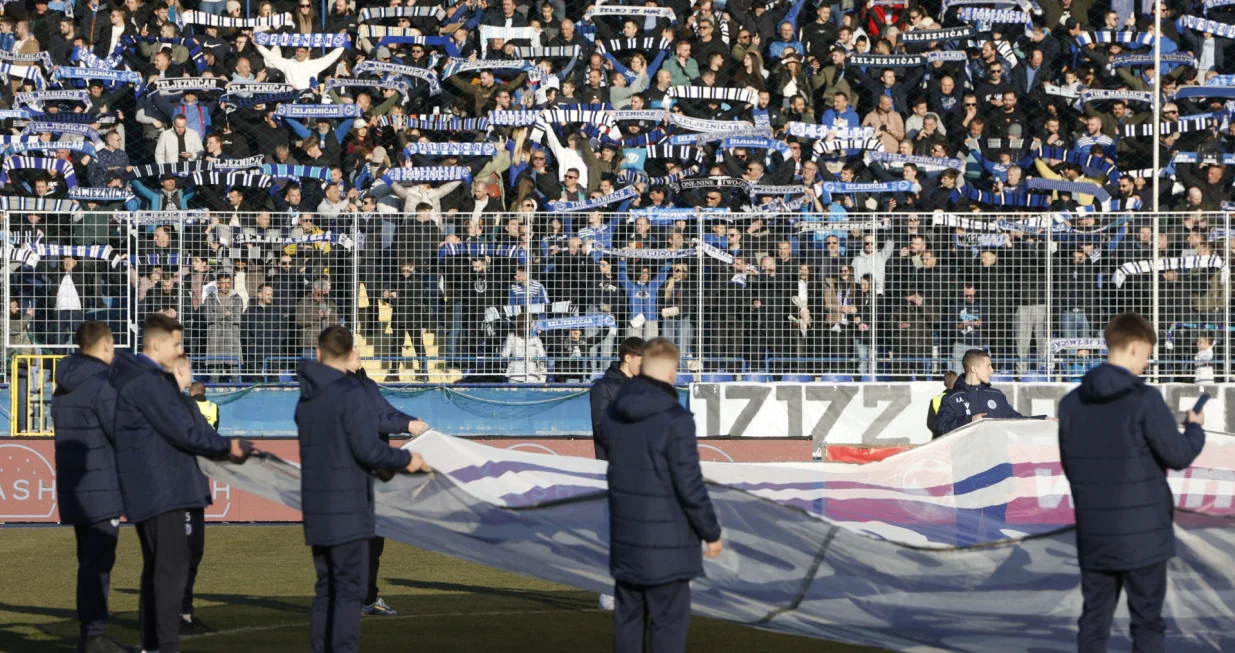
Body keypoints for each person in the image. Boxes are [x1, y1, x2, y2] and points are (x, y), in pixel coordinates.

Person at [1059, 312, 1206, 653]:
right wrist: (1195, 427)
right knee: (1147, 621)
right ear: (1137, 347)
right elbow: (1177, 455)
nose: (1147, 362)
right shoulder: (1144, 398)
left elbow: (1070, 467)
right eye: (1148, 354)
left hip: (1094, 533)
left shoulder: (1070, 405)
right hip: (1145, 536)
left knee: (1094, 621)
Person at [109, 313, 251, 653]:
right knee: (170, 572)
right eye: (176, 345)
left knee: (160, 571)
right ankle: (163, 644)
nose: (180, 351)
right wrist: (228, 447)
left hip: (158, 486)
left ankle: (153, 646)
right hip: (164, 490)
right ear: (156, 344)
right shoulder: (149, 382)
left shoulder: (140, 379)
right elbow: (184, 432)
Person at [296, 325, 429, 653]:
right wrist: (405, 459)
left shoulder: (310, 397)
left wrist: (407, 422)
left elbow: (379, 415)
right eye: (355, 351)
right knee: (347, 589)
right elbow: (368, 443)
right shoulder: (348, 393)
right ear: (349, 354)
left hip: (319, 503)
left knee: (327, 588)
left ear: (318, 354)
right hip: (350, 499)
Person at [597, 338, 723, 653]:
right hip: (669, 546)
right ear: (671, 373)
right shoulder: (675, 420)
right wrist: (711, 532)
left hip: (626, 541)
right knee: (667, 627)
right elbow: (689, 483)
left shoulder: (615, 413)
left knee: (627, 626)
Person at [51, 321, 126, 653]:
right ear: (106, 345)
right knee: (97, 566)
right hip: (102, 486)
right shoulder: (101, 385)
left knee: (90, 563)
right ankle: (94, 635)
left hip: (75, 487)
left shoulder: (62, 386)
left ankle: (91, 633)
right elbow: (122, 434)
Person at [344, 350, 430, 617]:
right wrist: (407, 424)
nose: (358, 353)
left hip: (375, 473)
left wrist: (412, 422)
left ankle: (367, 599)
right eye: (351, 349)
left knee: (374, 542)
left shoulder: (365, 382)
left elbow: (384, 411)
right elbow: (370, 421)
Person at [587, 336, 644, 611]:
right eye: (642, 359)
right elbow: (603, 427)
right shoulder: (603, 388)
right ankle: (608, 589)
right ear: (629, 357)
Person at [178, 365, 219, 636]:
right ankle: (177, 616)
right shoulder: (173, 406)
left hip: (190, 484)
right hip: (180, 488)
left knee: (189, 556)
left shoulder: (184, 404)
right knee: (182, 557)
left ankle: (183, 614)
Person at [932, 349, 1056, 436]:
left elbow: (1015, 421)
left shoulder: (996, 395)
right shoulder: (951, 398)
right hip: (967, 467)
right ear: (974, 368)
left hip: (999, 464)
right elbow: (939, 428)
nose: (992, 370)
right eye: (988, 366)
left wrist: (1042, 420)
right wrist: (969, 420)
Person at [926, 370, 958, 439]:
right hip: (956, 440)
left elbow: (930, 423)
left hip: (938, 440)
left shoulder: (935, 399)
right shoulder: (959, 398)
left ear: (944, 383)